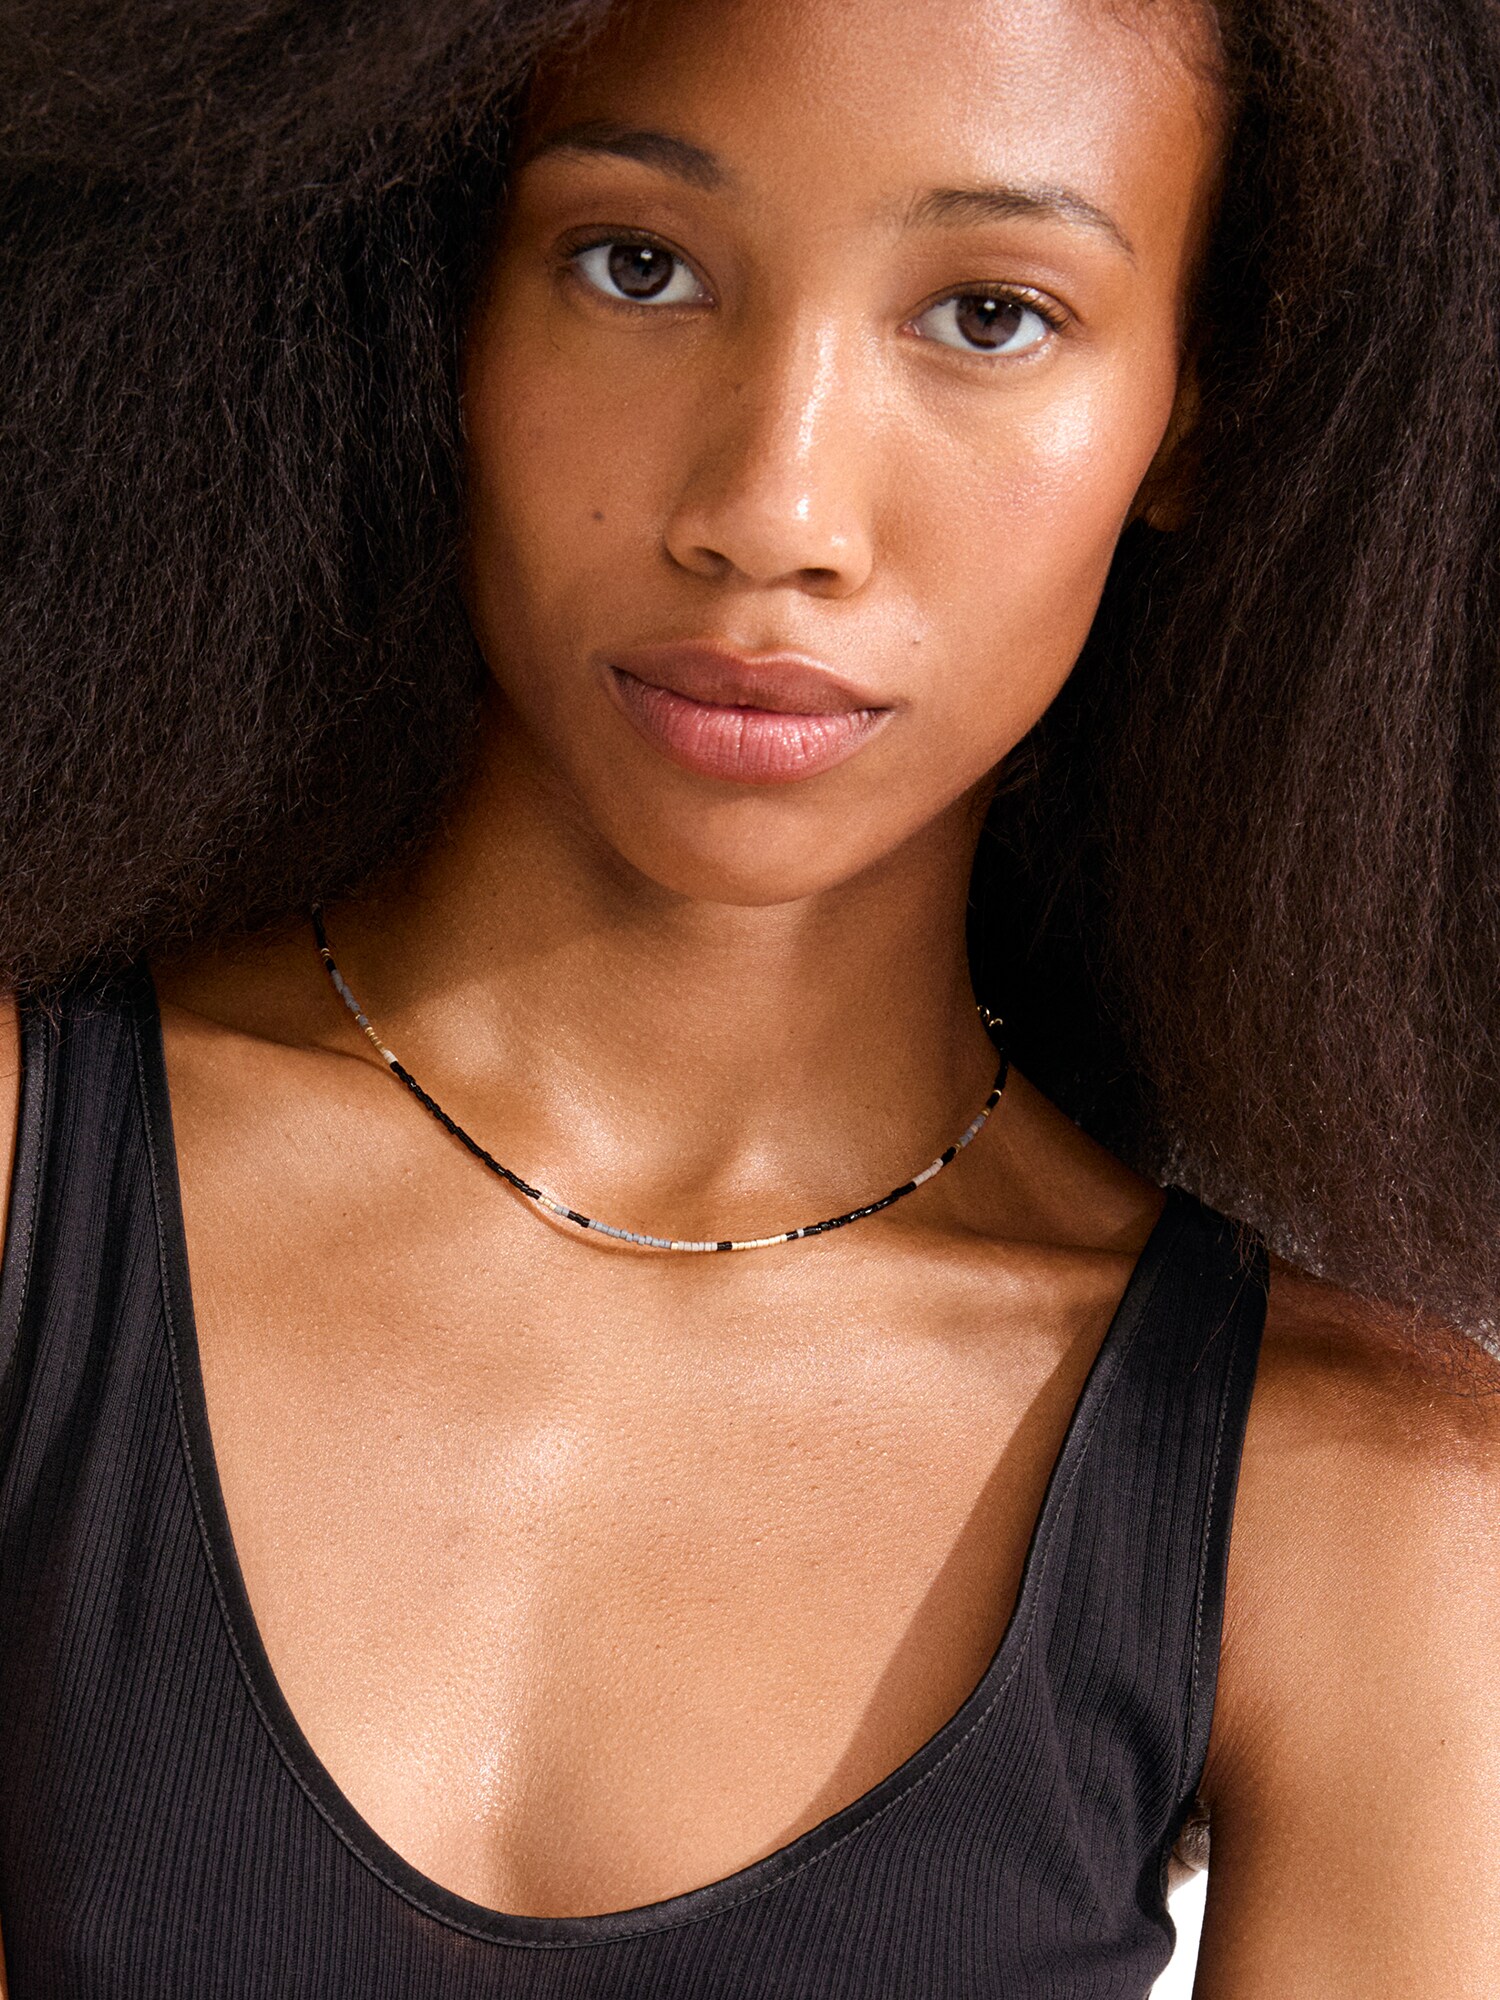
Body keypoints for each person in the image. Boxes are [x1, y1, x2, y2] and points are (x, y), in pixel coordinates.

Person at [0, 0, 1495, 1992]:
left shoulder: (1363, 1511)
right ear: (435, 284)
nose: (773, 512)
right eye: (638, 264)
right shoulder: (28, 1186)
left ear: (1200, 397)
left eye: (990, 316)